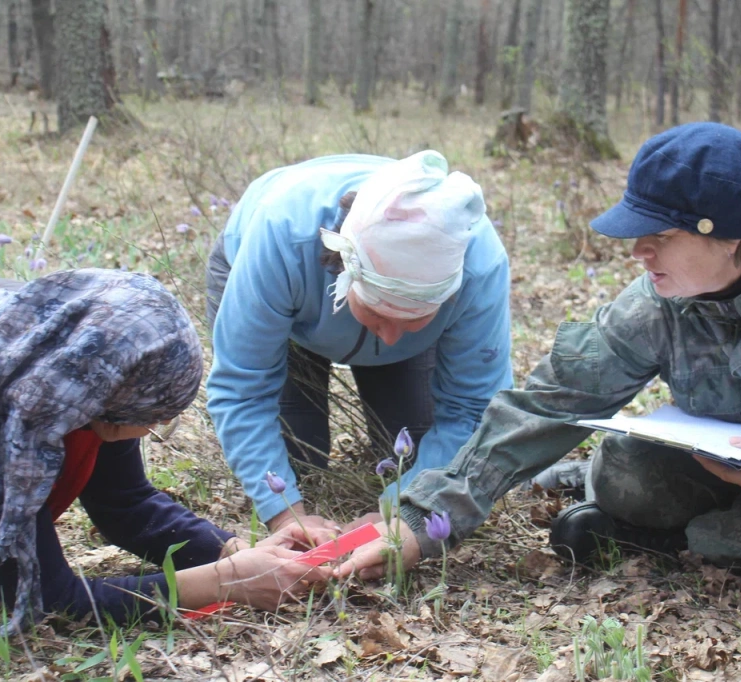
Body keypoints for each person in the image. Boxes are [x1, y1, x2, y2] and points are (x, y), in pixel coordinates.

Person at [337, 122, 741, 580]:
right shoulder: (660, 297)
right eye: (635, 232)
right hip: (737, 465)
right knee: (628, 473)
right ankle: (702, 530)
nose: (639, 252)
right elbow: (548, 404)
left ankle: (693, 539)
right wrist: (419, 519)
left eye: (661, 236)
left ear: (729, 234)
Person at [0, 269, 328, 632]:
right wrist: (223, 582)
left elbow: (125, 503)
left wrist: (232, 549)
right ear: (98, 403)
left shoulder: (73, 349)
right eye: (149, 417)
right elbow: (47, 597)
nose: (158, 426)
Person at [205, 150, 513, 534]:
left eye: (411, 318)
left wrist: (403, 510)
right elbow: (243, 388)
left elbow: (473, 408)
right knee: (297, 460)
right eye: (380, 315)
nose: (390, 337)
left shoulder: (480, 266)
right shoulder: (282, 235)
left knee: (415, 461)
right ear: (344, 271)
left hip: (362, 297)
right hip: (289, 289)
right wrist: (284, 514)